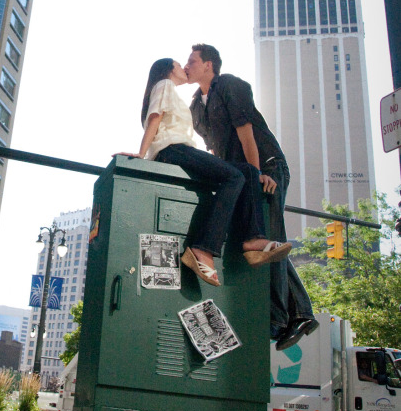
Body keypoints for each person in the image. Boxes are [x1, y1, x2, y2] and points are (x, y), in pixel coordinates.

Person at [185, 43, 318, 350]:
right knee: (265, 241)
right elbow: (215, 150)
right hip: (240, 174)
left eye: (192, 61)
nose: (187, 65)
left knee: (269, 237)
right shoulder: (195, 107)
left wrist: (257, 175)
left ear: (208, 65)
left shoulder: (230, 85)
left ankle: (279, 317)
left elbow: (246, 134)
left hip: (265, 167)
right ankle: (301, 313)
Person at [117, 58, 291, 286]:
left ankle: (254, 240)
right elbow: (155, 118)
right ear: (169, 70)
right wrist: (142, 153)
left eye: (189, 63)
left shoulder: (176, 94)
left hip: (183, 150)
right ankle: (203, 248)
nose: (184, 68)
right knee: (234, 176)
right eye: (180, 64)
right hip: (172, 150)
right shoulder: (164, 85)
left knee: (249, 172)